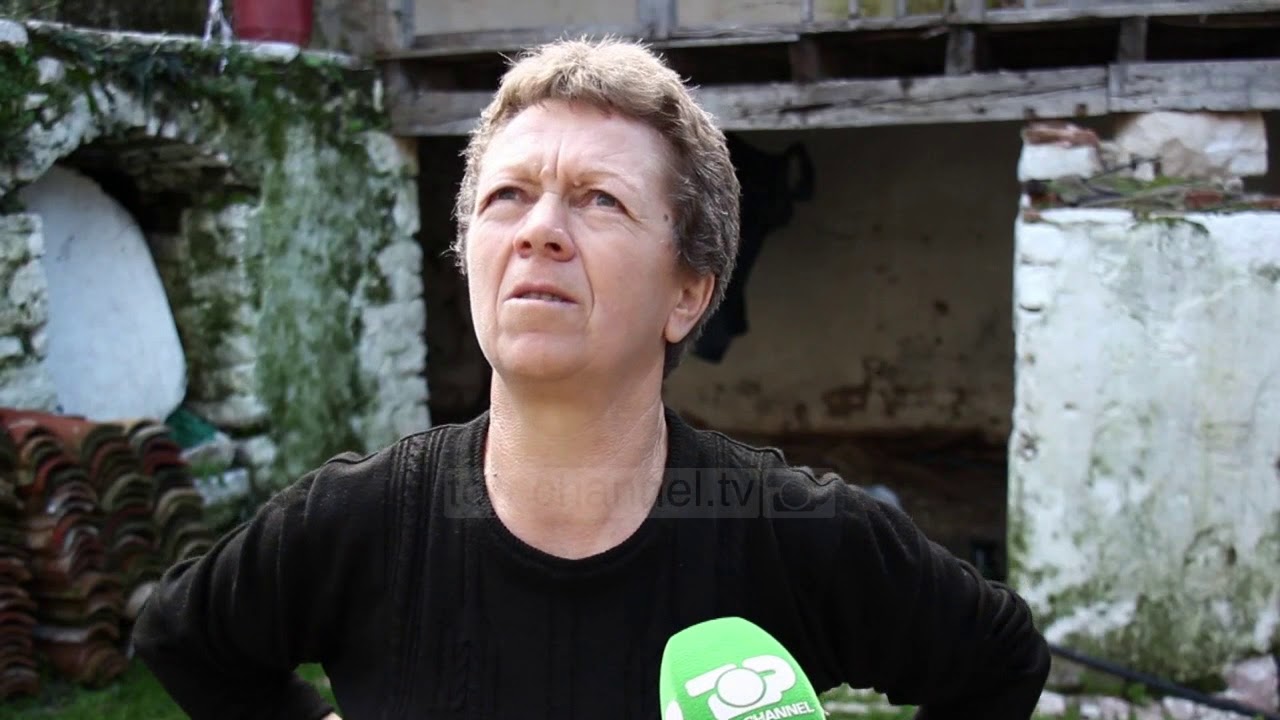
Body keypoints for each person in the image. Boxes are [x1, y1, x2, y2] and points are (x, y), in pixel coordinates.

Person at [132, 37, 1051, 719]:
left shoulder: (790, 536)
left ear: (688, 293)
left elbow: (1000, 659)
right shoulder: (358, 523)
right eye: (507, 196)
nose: (539, 230)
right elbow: (183, 639)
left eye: (599, 199)